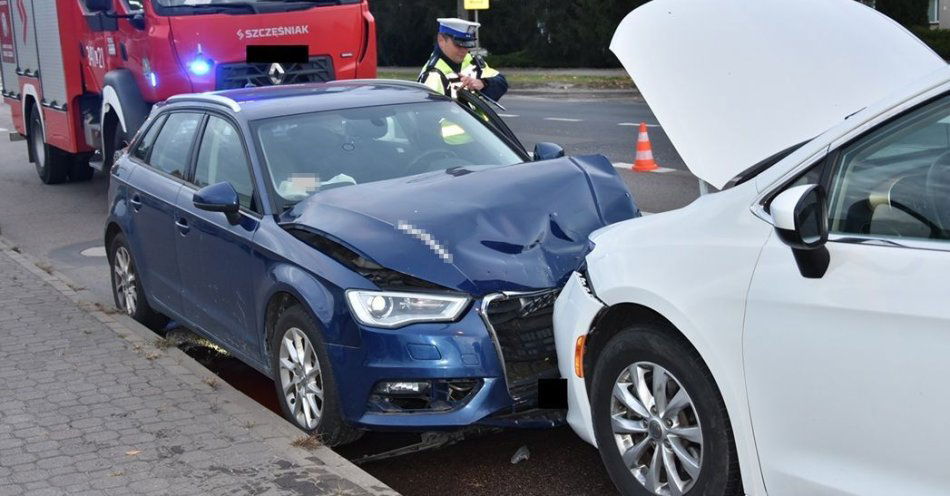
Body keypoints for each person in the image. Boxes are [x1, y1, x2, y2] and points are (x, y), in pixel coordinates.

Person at [417, 18, 509, 102]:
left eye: (467, 45)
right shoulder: (433, 75)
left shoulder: (471, 61)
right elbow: (431, 116)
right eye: (458, 44)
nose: (464, 50)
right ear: (441, 40)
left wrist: (483, 83)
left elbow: (502, 82)